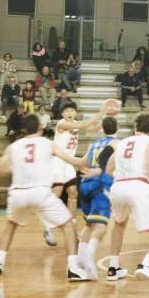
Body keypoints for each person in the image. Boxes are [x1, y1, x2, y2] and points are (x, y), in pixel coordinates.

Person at [0, 114, 92, 280]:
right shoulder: (48, 143)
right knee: (68, 225)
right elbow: (75, 161)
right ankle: (73, 268)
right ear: (41, 127)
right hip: (40, 192)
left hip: (18, 193)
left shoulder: (14, 146)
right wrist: (88, 155)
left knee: (10, 225)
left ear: (23, 129)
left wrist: (17, 167)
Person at [105, 112, 149, 287]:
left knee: (119, 224)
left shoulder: (121, 143)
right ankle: (146, 265)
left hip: (118, 187)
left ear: (135, 126)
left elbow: (109, 168)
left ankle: (113, 268)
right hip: (138, 186)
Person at [42, 101, 106, 247]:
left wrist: (104, 121)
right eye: (67, 111)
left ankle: (72, 227)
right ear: (63, 114)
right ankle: (47, 227)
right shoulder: (62, 124)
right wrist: (101, 112)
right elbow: (84, 125)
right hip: (58, 161)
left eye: (72, 110)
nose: (70, 113)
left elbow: (93, 129)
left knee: (73, 193)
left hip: (69, 163)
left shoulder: (75, 123)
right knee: (56, 193)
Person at [75, 116, 121, 279]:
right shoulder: (116, 143)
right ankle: (89, 254)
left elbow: (81, 162)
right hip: (101, 183)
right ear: (117, 128)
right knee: (101, 225)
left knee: (89, 224)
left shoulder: (93, 144)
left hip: (85, 184)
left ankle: (80, 263)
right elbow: (107, 162)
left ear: (102, 128)